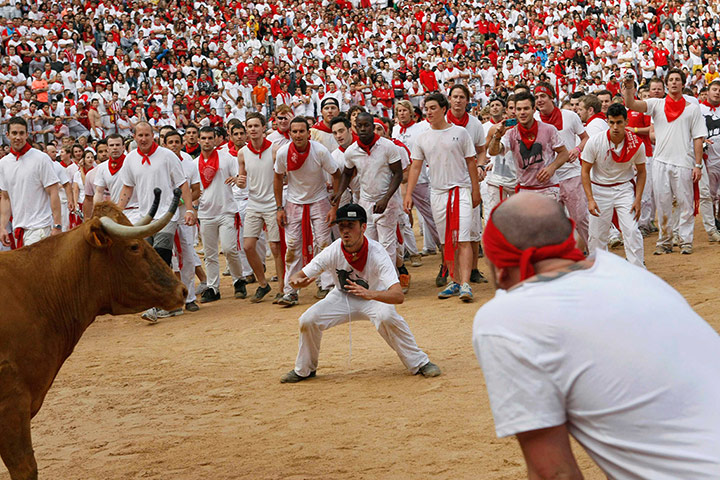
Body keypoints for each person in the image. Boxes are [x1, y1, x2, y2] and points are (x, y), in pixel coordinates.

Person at [473, 192, 720, 478]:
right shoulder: (629, 275)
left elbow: (554, 474)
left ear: (500, 269)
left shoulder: (508, 318)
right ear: (572, 238)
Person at [280, 203, 441, 383]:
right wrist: (298, 280)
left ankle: (420, 363)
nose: (345, 231)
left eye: (351, 225)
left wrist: (369, 294)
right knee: (307, 320)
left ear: (363, 227)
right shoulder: (334, 249)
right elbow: (299, 275)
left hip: (375, 296)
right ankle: (305, 370)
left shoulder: (377, 252)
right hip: (342, 297)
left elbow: (398, 295)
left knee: (387, 317)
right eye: (342, 226)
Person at [404, 93, 480, 302]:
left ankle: (465, 284)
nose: (428, 112)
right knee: (447, 241)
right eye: (426, 109)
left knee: (463, 238)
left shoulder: (461, 133)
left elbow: (471, 162)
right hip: (437, 193)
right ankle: (453, 281)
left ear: (443, 109)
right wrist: (408, 194)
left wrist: (475, 190)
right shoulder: (423, 138)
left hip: (461, 190)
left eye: (432, 108)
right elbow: (416, 166)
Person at [117, 121, 196, 323]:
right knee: (147, 260)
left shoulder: (167, 156)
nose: (143, 139)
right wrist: (118, 211)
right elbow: (127, 188)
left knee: (161, 257)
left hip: (166, 215)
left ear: (154, 136)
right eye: (139, 135)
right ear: (134, 137)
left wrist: (189, 209)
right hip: (145, 217)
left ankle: (162, 304)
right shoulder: (131, 159)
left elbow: (182, 184)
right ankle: (169, 304)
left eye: (147, 135)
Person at [622, 68, 708, 255]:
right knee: (662, 203)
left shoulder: (692, 109)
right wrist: (629, 88)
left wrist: (698, 165)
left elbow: (698, 138)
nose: (674, 82)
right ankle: (665, 241)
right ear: (667, 84)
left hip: (684, 162)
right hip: (660, 161)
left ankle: (685, 241)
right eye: (671, 80)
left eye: (678, 79)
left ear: (683, 84)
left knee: (685, 204)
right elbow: (631, 103)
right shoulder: (656, 104)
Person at [334, 112, 405, 288]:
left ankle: (391, 284)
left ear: (373, 127)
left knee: (387, 245)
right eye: (360, 126)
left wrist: (386, 198)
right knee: (370, 245)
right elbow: (347, 173)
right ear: (355, 128)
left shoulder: (388, 146)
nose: (364, 129)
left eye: (367, 125)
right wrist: (339, 192)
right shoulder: (351, 152)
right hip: (365, 203)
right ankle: (375, 283)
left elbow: (398, 174)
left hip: (387, 202)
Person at [274, 116, 340, 307]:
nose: (298, 135)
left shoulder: (319, 151)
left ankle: (327, 286)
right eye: (294, 131)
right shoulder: (283, 153)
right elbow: (277, 178)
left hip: (319, 200)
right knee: (292, 246)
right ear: (290, 133)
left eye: (302, 131)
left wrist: (334, 206)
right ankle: (290, 291)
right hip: (294, 202)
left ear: (308, 133)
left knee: (324, 243)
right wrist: (279, 207)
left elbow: (336, 174)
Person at [580, 103, 646, 267]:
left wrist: (637, 200)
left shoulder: (636, 144)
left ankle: (637, 269)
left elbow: (642, 172)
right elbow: (585, 171)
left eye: (619, 122)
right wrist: (590, 199)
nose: (615, 127)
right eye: (611, 122)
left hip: (624, 189)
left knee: (631, 230)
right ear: (607, 122)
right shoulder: (595, 142)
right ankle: (598, 271)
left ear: (626, 122)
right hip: (599, 189)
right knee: (596, 235)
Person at [534, 82, 590, 250]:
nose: (539, 100)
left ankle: (598, 256)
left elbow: (586, 138)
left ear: (552, 97)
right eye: (536, 97)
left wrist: (577, 149)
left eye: (543, 96)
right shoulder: (534, 119)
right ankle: (558, 261)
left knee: (581, 219)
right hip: (548, 180)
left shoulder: (570, 116)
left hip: (571, 175)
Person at [194, 126, 246, 303]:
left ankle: (239, 280)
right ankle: (213, 288)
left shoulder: (227, 159)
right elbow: (192, 189)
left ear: (216, 139)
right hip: (206, 213)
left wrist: (239, 180)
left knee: (230, 249)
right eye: (204, 138)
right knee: (210, 254)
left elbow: (240, 181)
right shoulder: (195, 164)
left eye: (210, 138)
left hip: (226, 211)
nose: (207, 141)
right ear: (199, 140)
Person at [238, 112, 285, 303]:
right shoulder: (243, 153)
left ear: (263, 128)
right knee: (248, 246)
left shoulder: (274, 151)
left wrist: (281, 204)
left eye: (256, 126)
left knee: (275, 247)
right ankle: (263, 283)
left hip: (272, 204)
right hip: (254, 203)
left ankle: (282, 286)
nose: (253, 129)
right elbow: (242, 179)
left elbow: (284, 176)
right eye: (250, 126)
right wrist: (240, 182)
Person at [487, 90, 569, 199]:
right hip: (524, 188)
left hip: (548, 188)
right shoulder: (511, 133)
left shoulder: (549, 129)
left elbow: (564, 153)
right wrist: (497, 137)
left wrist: (552, 168)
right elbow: (493, 152)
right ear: (515, 111)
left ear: (534, 109)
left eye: (526, 108)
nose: (522, 112)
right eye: (519, 109)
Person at [0, 116, 62, 248]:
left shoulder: (41, 158)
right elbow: (5, 198)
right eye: (14, 133)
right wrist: (2, 227)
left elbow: (53, 192)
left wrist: (57, 225)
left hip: (40, 228)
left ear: (27, 134)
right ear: (7, 135)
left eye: (22, 133)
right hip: (19, 229)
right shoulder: (3, 163)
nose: (18, 137)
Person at [164, 129, 202, 312]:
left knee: (187, 255)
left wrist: (183, 203)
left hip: (183, 215)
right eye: (170, 142)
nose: (173, 145)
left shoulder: (188, 164)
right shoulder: (159, 164)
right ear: (165, 144)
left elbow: (196, 189)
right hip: (164, 218)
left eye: (176, 142)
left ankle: (189, 297)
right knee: (166, 259)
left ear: (181, 143)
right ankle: (171, 298)